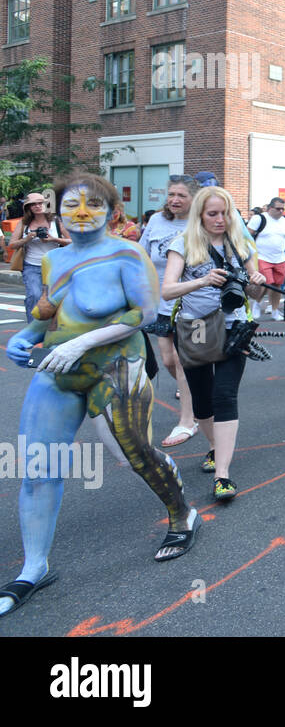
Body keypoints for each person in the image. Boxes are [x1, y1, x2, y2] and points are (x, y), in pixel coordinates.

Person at [2, 174, 198, 617]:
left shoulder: (126, 253)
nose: (81, 212)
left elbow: (143, 314)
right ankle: (33, 568)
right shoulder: (54, 259)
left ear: (111, 212)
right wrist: (26, 335)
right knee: (37, 467)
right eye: (71, 204)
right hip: (58, 370)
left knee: (134, 455)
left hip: (116, 368)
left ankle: (182, 514)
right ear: (59, 211)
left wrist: (81, 344)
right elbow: (51, 309)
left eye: (92, 204)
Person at [163, 185, 268, 500]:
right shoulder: (182, 244)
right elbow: (166, 291)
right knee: (202, 400)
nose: (220, 219)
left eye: (225, 213)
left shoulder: (240, 244)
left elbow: (255, 294)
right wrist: (203, 280)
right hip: (195, 326)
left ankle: (222, 475)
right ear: (200, 215)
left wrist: (257, 283)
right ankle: (213, 446)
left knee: (224, 396)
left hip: (233, 327)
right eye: (213, 214)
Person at [141, 174, 201, 447]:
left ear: (193, 199)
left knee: (181, 361)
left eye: (182, 196)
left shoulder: (200, 223)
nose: (175, 200)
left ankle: (188, 421)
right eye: (171, 195)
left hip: (191, 303)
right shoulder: (156, 220)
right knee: (167, 361)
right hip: (161, 303)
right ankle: (194, 392)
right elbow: (141, 255)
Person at [9, 192, 71, 323]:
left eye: (40, 203)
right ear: (28, 208)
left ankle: (54, 326)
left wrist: (53, 239)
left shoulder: (56, 221)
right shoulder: (24, 223)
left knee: (55, 297)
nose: (37, 206)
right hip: (31, 266)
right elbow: (12, 244)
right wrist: (27, 238)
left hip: (54, 266)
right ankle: (33, 327)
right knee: (34, 295)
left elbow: (71, 241)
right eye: (33, 204)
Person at [249, 196, 285, 320]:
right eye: (278, 208)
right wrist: (248, 257)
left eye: (282, 209)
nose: (281, 211)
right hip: (262, 257)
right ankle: (257, 304)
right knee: (266, 282)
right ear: (270, 208)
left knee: (277, 286)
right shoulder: (259, 218)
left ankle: (274, 310)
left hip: (280, 258)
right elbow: (247, 237)